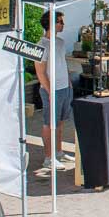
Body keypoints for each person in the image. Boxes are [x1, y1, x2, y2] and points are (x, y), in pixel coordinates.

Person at [35, 10, 73, 174]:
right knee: (49, 123)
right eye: (60, 21)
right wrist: (49, 90)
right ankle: (48, 158)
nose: (62, 24)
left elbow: (62, 63)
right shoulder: (41, 45)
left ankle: (58, 152)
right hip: (52, 89)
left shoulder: (60, 42)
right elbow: (40, 72)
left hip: (64, 87)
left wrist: (69, 83)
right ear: (51, 23)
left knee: (60, 122)